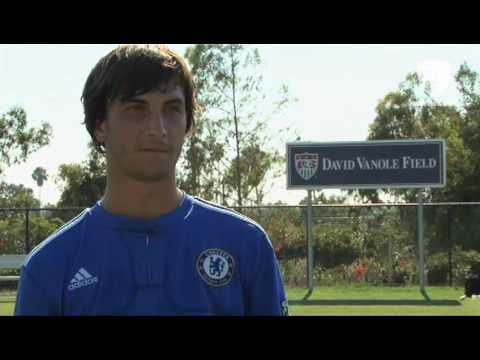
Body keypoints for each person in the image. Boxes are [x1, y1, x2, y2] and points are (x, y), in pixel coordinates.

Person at [14, 44, 289, 316]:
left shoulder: (246, 244)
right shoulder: (49, 265)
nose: (157, 129)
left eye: (172, 110)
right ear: (100, 125)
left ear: (188, 124)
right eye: (136, 109)